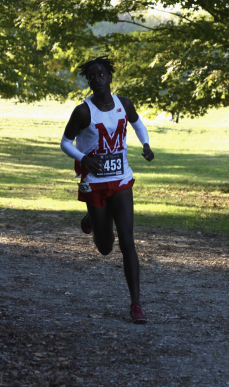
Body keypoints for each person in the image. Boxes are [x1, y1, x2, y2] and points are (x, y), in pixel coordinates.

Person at [60, 55, 155, 324]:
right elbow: (65, 142)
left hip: (122, 179)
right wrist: (82, 157)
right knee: (105, 247)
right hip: (95, 182)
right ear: (88, 82)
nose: (97, 80)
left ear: (110, 77)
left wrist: (145, 144)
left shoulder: (124, 104)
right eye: (92, 76)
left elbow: (137, 123)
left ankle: (136, 304)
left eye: (101, 74)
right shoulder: (83, 111)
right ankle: (93, 217)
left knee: (127, 241)